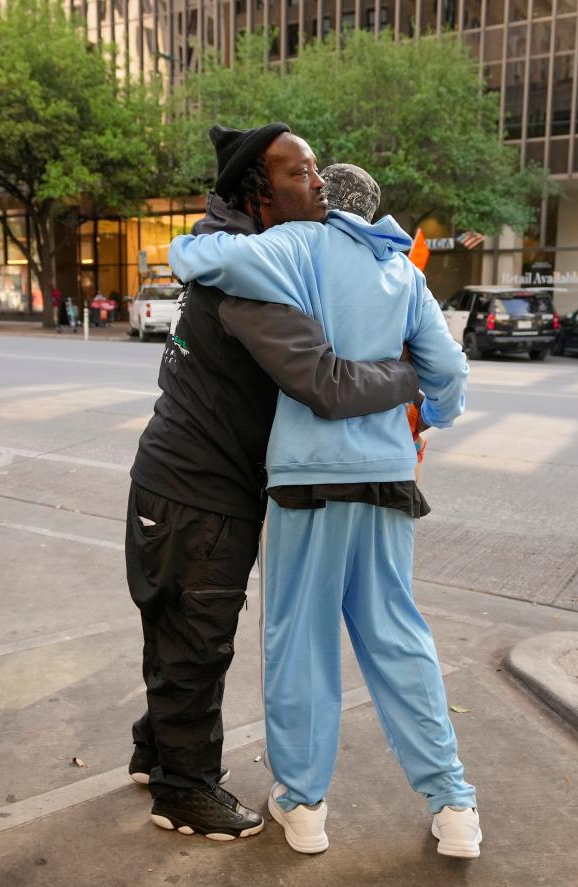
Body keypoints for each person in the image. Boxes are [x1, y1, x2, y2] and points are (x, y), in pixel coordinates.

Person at [168, 155, 480, 858]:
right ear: (370, 210)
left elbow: (194, 256)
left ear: (321, 202)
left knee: (299, 640)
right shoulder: (403, 272)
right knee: (399, 637)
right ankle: (453, 803)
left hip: (307, 483)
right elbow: (449, 371)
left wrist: (203, 239)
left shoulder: (297, 244)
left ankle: (303, 804)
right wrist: (430, 412)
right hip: (388, 481)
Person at [127, 123, 423, 842]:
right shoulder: (249, 279)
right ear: (257, 191)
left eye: (316, 169)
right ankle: (184, 788)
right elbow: (323, 382)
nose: (318, 183)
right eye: (300, 173)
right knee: (197, 639)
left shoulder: (246, 254)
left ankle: (154, 750)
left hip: (189, 484)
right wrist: (414, 373)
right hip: (197, 490)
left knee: (178, 630)